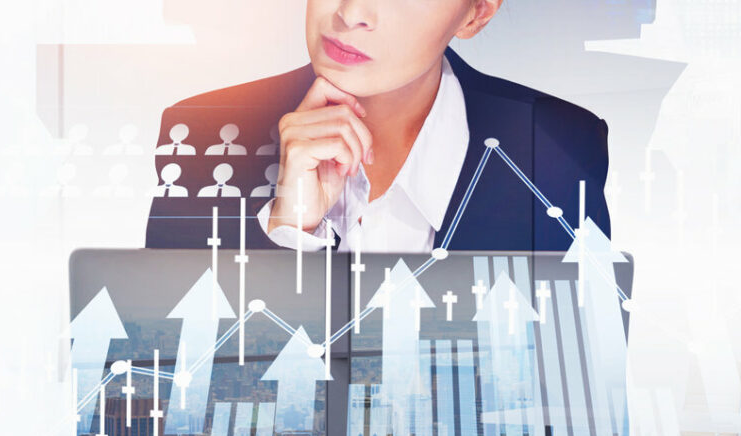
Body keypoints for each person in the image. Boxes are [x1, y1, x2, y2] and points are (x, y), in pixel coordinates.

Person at [146, 0, 611, 252]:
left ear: (476, 13)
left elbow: (578, 399)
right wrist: (290, 228)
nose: (351, 13)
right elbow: (156, 396)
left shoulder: (555, 146)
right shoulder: (205, 135)